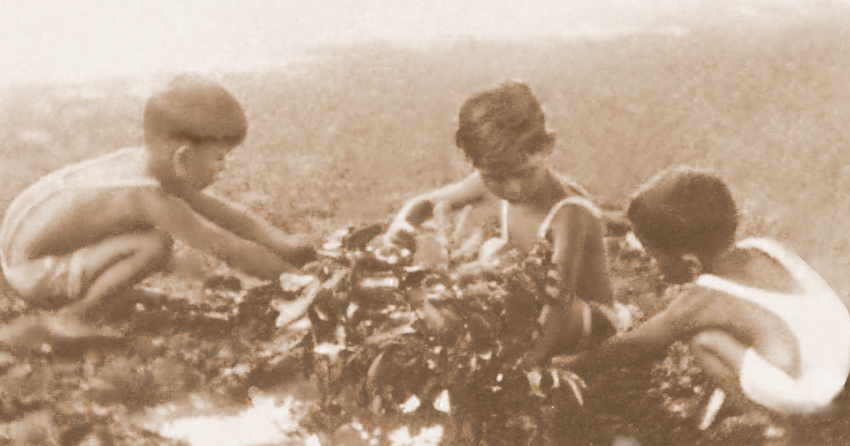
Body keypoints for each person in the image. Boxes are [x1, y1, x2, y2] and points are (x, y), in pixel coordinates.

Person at [0, 74, 316, 344]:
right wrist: (296, 280)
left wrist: (285, 245)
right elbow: (227, 248)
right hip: (33, 272)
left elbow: (224, 213)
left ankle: (97, 293)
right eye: (219, 157)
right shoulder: (145, 194)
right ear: (183, 157)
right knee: (155, 244)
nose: (224, 167)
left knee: (145, 237)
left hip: (25, 256)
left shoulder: (149, 163)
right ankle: (71, 317)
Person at [556, 166, 850, 416]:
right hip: (842, 362)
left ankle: (768, 424)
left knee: (706, 340)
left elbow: (636, 346)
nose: (651, 263)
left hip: (822, 398)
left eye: (654, 255)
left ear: (690, 263)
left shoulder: (703, 301)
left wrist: (571, 364)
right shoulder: (764, 248)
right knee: (751, 326)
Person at [383, 80, 617, 367]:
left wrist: (526, 363)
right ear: (479, 169)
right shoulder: (489, 182)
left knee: (502, 275)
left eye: (524, 173)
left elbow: (558, 302)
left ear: (547, 147)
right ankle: (466, 335)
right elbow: (424, 204)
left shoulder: (569, 214)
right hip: (531, 305)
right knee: (491, 262)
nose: (513, 188)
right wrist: (402, 227)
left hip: (588, 322)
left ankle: (510, 352)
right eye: (496, 177)